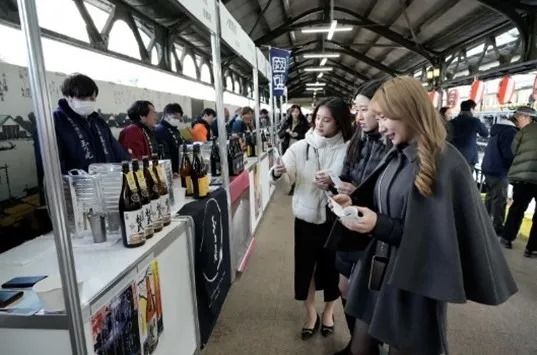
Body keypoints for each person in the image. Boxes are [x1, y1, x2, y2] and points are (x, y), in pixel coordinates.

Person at [332, 76, 516, 355]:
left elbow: (435, 238)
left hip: (413, 281)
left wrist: (378, 224)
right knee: (360, 347)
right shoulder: (396, 153)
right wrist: (356, 202)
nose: (380, 127)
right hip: (378, 269)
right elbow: (388, 201)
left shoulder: (446, 164)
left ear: (407, 110)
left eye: (384, 117)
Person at [270, 98, 353, 341]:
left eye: (327, 120)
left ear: (339, 122)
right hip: (305, 218)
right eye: (318, 118)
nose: (320, 123)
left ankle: (328, 312)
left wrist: (333, 185)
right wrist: (278, 173)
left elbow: (351, 184)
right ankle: (310, 313)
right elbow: (286, 183)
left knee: (332, 270)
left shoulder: (349, 149)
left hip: (335, 220)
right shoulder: (300, 147)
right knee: (306, 268)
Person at [330, 80, 390, 355]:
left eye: (365, 109)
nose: (360, 116)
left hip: (374, 231)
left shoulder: (393, 146)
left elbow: (391, 195)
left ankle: (367, 347)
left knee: (366, 293)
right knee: (344, 288)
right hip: (350, 223)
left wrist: (358, 192)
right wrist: (337, 187)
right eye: (357, 109)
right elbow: (346, 174)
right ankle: (357, 343)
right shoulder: (359, 138)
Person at [35, 73, 129, 183]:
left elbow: (117, 151)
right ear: (68, 96)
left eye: (92, 98)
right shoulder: (52, 122)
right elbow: (51, 167)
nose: (88, 102)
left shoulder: (98, 121)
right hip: (76, 190)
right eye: (82, 97)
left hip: (107, 185)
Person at [501, 107, 537, 258]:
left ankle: (507, 238)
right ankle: (532, 248)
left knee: (517, 208)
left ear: (528, 117)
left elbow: (514, 149)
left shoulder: (523, 131)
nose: (517, 121)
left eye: (519, 118)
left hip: (522, 177)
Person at [481, 114, 517, 236]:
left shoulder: (497, 130)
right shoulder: (510, 132)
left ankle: (484, 222)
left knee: (490, 196)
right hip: (499, 170)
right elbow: (508, 154)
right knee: (500, 199)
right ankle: (497, 227)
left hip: (488, 167)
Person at [447, 99, 489, 168]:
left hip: (453, 154)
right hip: (469, 158)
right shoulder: (474, 121)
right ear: (471, 109)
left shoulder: (452, 122)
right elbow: (485, 133)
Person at [154, 103, 184, 175]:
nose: (177, 120)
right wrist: (170, 171)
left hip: (178, 169)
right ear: (166, 116)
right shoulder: (159, 130)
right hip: (170, 171)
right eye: (175, 118)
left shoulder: (174, 129)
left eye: (178, 118)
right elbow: (164, 154)